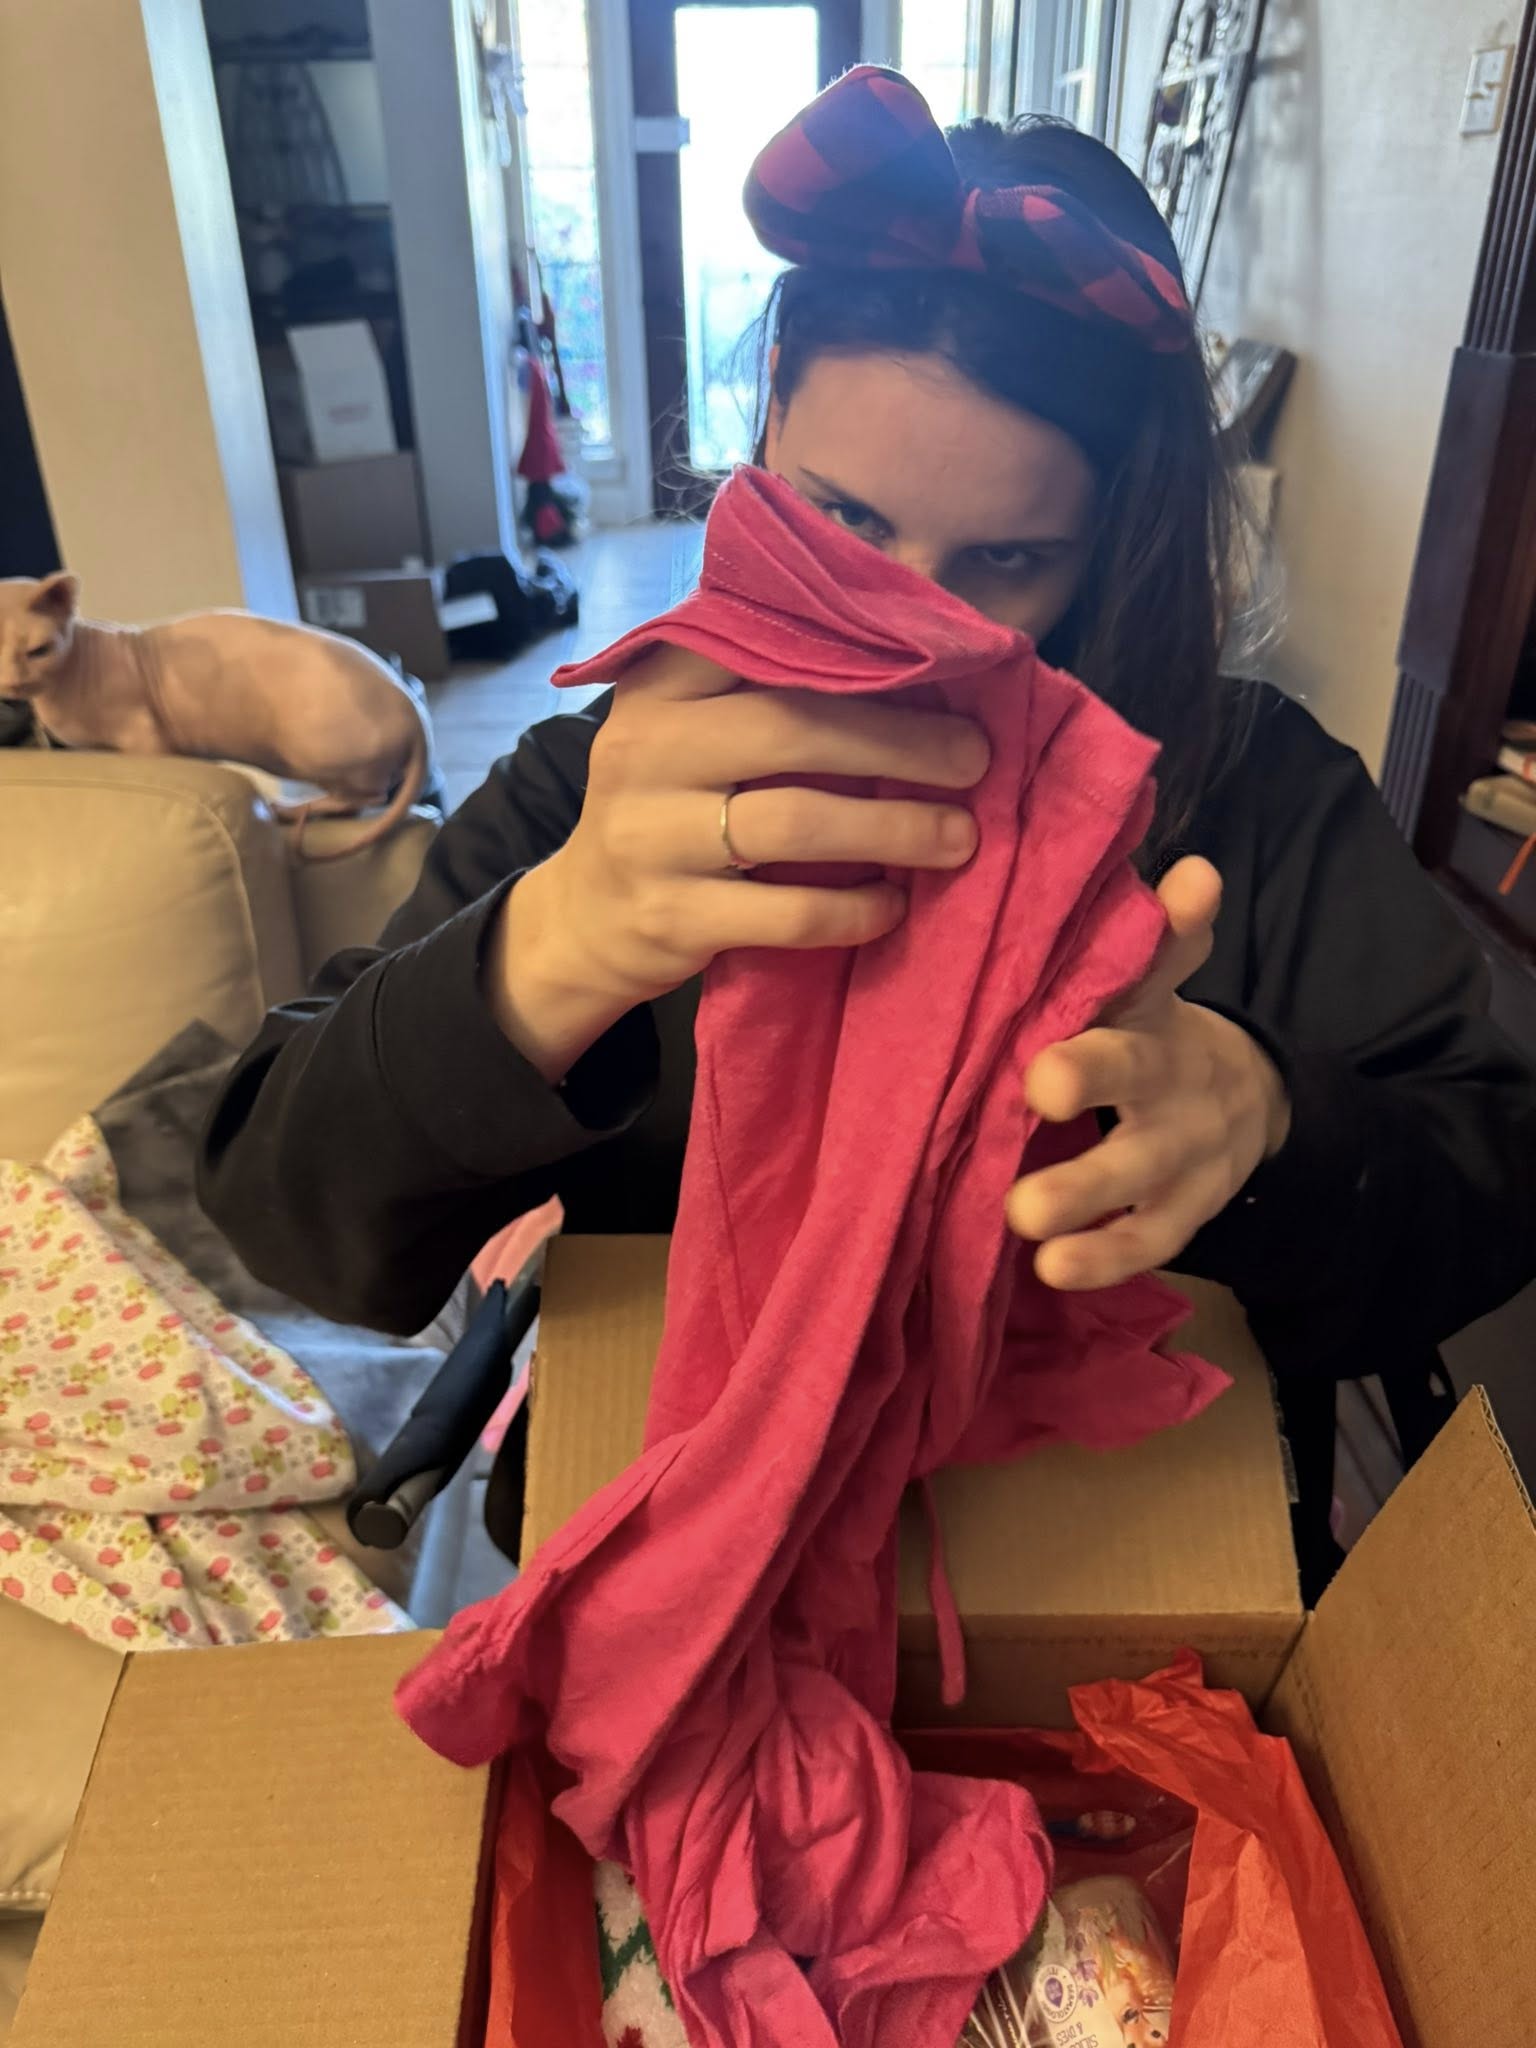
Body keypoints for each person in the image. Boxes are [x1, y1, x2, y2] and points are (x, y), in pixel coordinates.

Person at [198, 69, 1536, 1590]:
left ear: (1113, 543)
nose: (907, 626)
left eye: (1008, 560)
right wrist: (548, 949)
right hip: (672, 1539)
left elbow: (1490, 1184)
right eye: (842, 523)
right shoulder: (606, 787)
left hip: (1121, 1552)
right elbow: (287, 1219)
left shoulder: (1257, 792)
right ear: (765, 425)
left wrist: (1272, 1122)